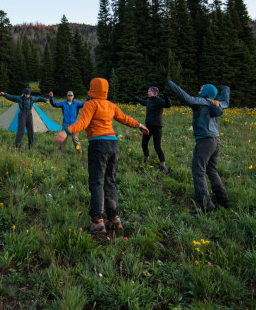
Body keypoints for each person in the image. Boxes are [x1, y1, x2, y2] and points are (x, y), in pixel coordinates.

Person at [54, 78, 149, 234]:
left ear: (93, 89)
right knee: (109, 181)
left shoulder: (90, 104)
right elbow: (124, 118)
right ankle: (114, 218)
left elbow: (83, 123)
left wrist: (66, 131)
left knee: (97, 182)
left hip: (99, 146)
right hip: (114, 146)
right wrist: (139, 125)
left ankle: (98, 221)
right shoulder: (111, 105)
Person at [166, 80, 230, 212]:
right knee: (212, 171)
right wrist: (226, 87)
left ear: (206, 92)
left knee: (198, 172)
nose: (198, 92)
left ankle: (206, 206)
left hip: (205, 142)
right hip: (216, 141)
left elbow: (186, 97)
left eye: (200, 90)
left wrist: (170, 83)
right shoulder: (217, 104)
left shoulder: (201, 103)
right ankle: (223, 200)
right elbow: (225, 101)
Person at [132, 87, 171, 172]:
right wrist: (134, 97)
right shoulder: (149, 100)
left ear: (155, 93)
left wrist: (166, 97)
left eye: (149, 91)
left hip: (157, 127)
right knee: (144, 144)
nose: (148, 92)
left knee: (157, 147)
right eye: (148, 91)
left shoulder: (159, 100)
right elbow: (143, 102)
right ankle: (147, 159)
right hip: (148, 126)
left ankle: (163, 166)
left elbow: (168, 105)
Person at [48, 90, 85, 155]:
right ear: (67, 96)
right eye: (69, 96)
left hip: (74, 126)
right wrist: (51, 98)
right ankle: (59, 154)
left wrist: (89, 97)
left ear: (73, 96)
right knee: (62, 141)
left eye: (71, 96)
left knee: (75, 140)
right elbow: (54, 104)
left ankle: (79, 153)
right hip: (65, 126)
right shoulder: (63, 103)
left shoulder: (77, 104)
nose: (70, 97)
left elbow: (85, 104)